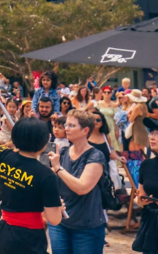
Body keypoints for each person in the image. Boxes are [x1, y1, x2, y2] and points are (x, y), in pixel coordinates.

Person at [0, 94, 64, 254]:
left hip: (4, 234)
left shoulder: (5, 156)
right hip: (30, 239)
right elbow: (54, 220)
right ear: (43, 144)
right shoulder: (46, 174)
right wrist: (59, 207)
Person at [48, 109, 106, 254]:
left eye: (72, 126)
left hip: (87, 226)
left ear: (85, 130)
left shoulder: (95, 156)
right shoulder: (62, 153)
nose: (66, 128)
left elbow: (82, 188)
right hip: (60, 223)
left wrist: (58, 168)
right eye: (66, 125)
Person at [134, 118, 158, 252]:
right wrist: (140, 201)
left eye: (157, 134)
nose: (152, 137)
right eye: (151, 133)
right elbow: (140, 197)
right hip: (150, 224)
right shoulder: (147, 165)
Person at [97, 86, 119, 151]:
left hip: (111, 126)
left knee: (112, 142)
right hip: (101, 124)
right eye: (105, 92)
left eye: (108, 92)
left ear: (111, 94)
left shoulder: (114, 104)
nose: (106, 93)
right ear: (102, 93)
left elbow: (116, 119)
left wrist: (117, 130)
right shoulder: (98, 104)